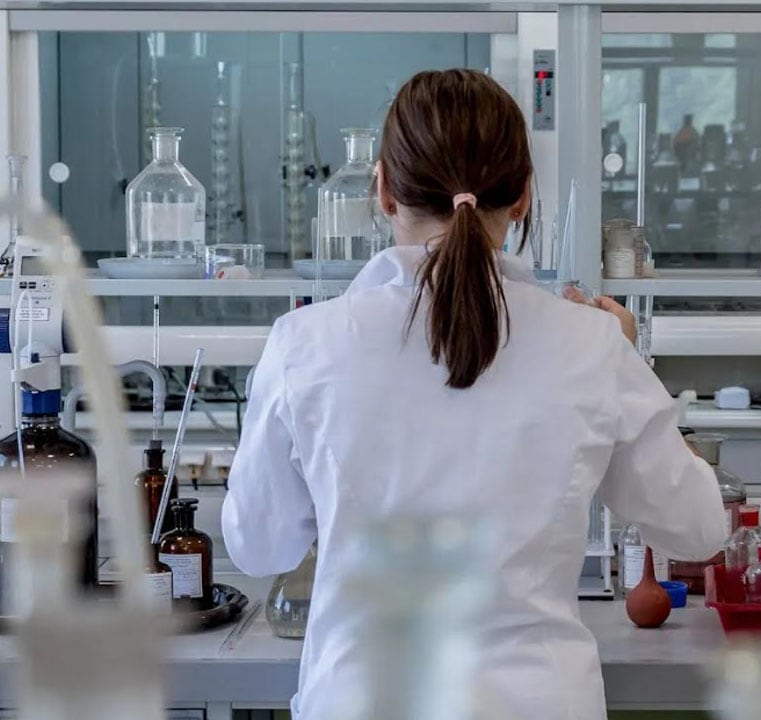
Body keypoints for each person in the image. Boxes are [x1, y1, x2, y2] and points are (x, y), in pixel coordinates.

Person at [222, 69, 726, 720]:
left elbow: (259, 547)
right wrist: (631, 360)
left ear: (382, 188)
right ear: (521, 196)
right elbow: (698, 530)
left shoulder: (305, 344)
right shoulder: (593, 345)